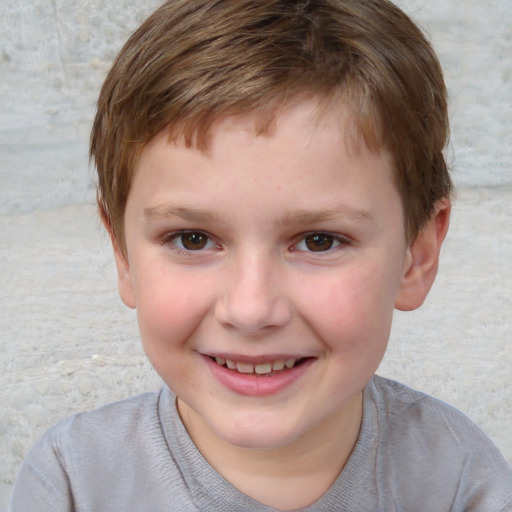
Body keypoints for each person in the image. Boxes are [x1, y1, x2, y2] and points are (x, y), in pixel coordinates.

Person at [9, 0, 512, 510]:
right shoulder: (71, 481)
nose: (250, 310)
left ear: (416, 256)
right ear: (122, 253)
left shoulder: (461, 482)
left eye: (319, 240)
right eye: (193, 239)